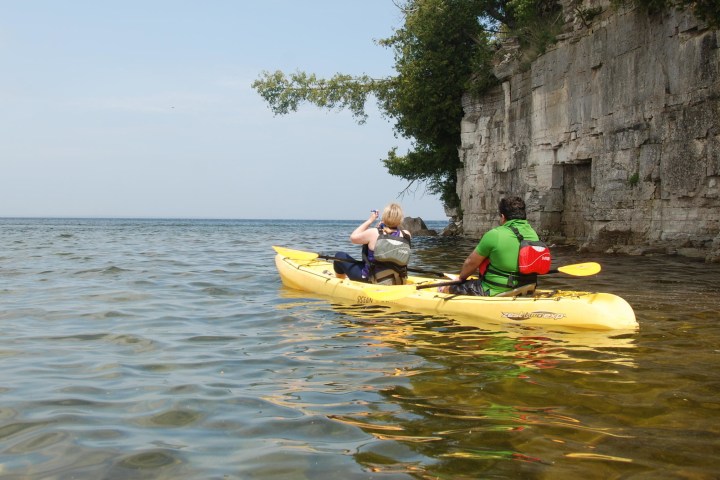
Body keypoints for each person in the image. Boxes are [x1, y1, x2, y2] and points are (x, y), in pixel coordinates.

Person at [442, 196, 545, 296]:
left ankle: (443, 290)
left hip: (495, 290)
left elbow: (471, 263)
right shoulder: (533, 234)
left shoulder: (495, 234)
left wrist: (461, 279)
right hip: (527, 287)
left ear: (503, 217)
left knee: (445, 288)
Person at [333, 203, 412, 285]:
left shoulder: (374, 232)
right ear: (400, 219)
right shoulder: (406, 235)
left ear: (384, 217)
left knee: (339, 256)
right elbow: (394, 234)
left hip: (372, 280)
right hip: (400, 280)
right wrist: (385, 226)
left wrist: (370, 220)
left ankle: (340, 282)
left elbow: (353, 237)